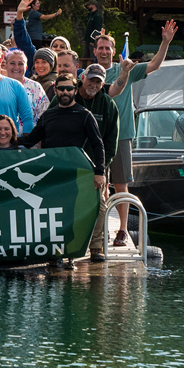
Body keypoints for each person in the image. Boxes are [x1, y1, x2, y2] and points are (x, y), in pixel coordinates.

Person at [95, 19, 177, 247]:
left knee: (120, 185)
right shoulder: (89, 74)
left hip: (121, 135)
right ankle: (98, 229)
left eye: (107, 48)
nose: (103, 51)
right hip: (94, 137)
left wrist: (165, 43)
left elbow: (155, 65)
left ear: (113, 51)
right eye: (100, 48)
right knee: (97, 185)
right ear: (94, 51)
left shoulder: (127, 69)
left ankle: (122, 230)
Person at [17, 72, 106, 268]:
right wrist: (6, 141)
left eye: (69, 88)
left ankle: (96, 248)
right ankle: (56, 251)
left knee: (100, 207)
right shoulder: (48, 115)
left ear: (75, 90)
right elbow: (31, 140)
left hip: (78, 172)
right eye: (61, 88)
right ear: (55, 90)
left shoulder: (84, 115)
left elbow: (97, 144)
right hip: (53, 173)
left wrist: (99, 171)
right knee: (55, 212)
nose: (65, 92)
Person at [76, 64, 120, 262]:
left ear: (103, 84)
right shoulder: (68, 96)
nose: (93, 84)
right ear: (82, 78)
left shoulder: (108, 105)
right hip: (71, 163)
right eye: (91, 79)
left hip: (97, 165)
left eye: (98, 81)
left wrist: (103, 167)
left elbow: (111, 142)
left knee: (100, 206)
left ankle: (96, 247)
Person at [4, 49, 49, 134]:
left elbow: (44, 116)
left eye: (20, 64)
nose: (16, 67)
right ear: (5, 65)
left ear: (26, 67)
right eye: (12, 63)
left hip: (30, 141)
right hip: (2, 140)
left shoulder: (35, 87)